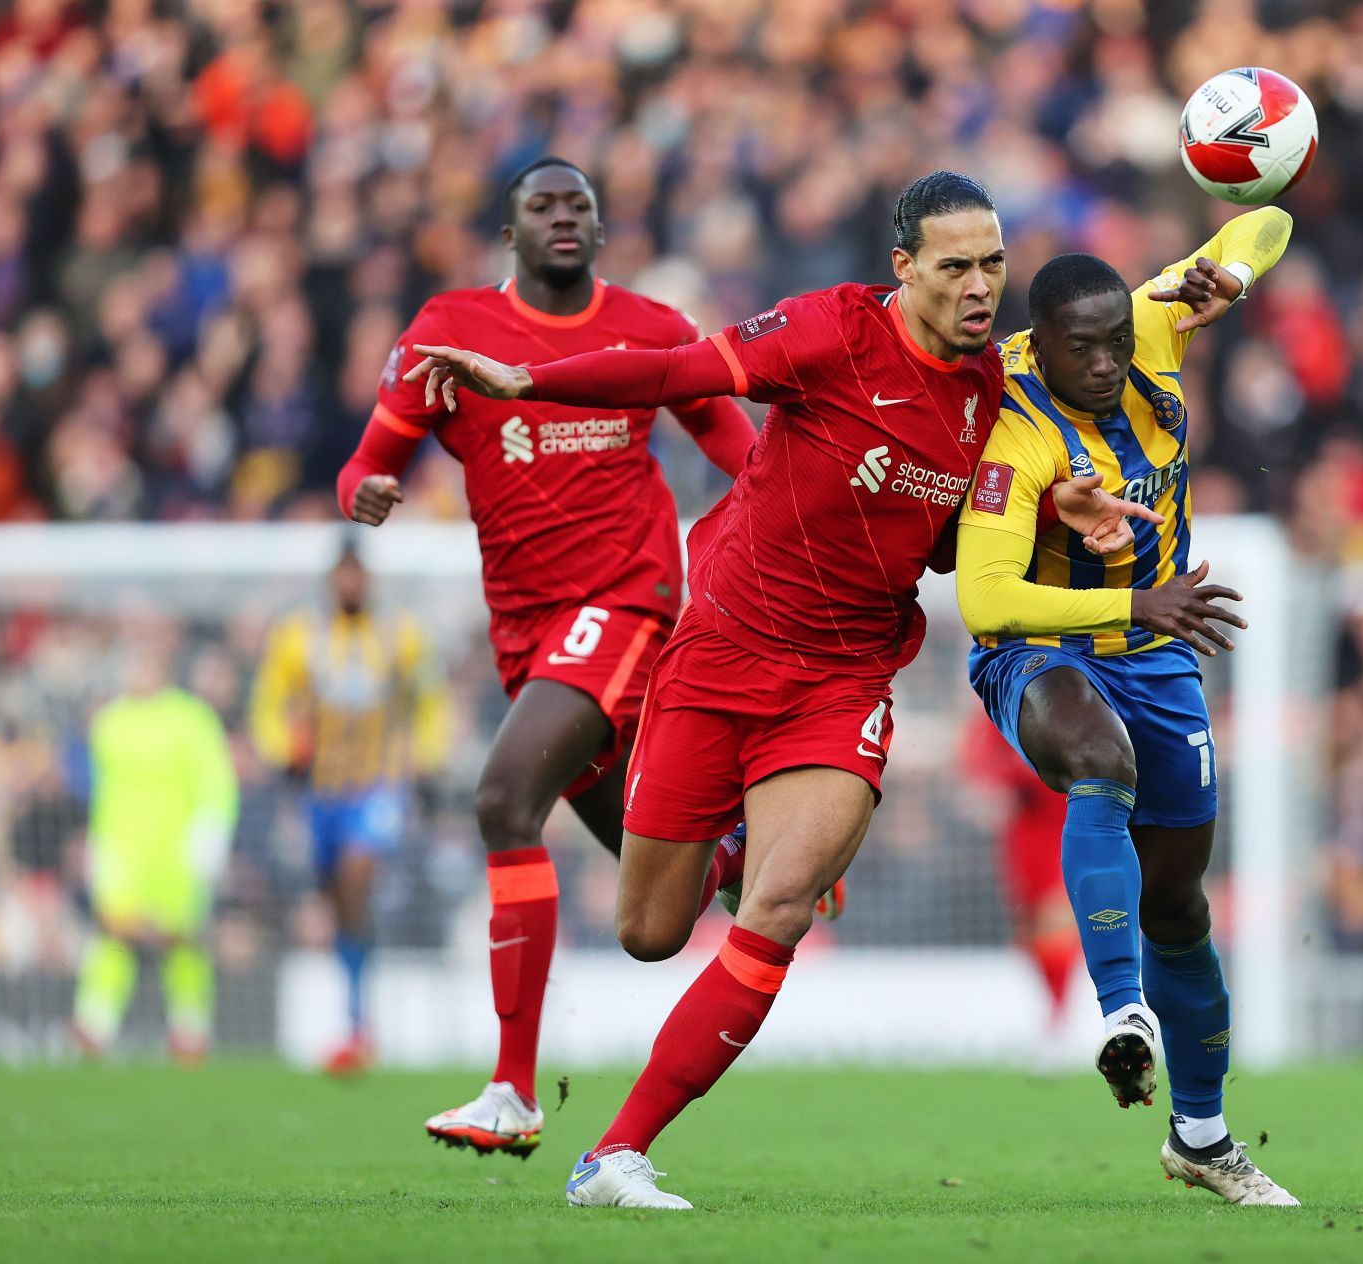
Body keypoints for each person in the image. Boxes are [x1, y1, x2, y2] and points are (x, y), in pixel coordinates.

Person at [406, 170, 1149, 1209]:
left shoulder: (998, 396)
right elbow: (675, 370)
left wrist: (1052, 509)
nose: (982, 287)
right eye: (956, 267)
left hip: (843, 678)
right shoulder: (827, 332)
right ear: (904, 268)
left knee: (782, 910)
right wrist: (531, 384)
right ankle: (729, 847)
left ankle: (614, 1152)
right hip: (719, 650)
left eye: (993, 264)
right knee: (650, 933)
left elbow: (955, 544)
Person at [335, 157, 758, 1157]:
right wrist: (365, 488)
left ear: (601, 232)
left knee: (500, 800)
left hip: (627, 601)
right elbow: (373, 453)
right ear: (509, 232)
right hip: (527, 630)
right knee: (662, 885)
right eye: (542, 204)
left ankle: (511, 1089)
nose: (563, 217)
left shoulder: (652, 329)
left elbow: (739, 448)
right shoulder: (448, 331)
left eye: (580, 205)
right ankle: (751, 851)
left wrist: (787, 525)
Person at [955, 207, 1301, 1205]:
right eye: (1084, 348)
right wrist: (1135, 597)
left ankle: (1202, 1136)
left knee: (1180, 908)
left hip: (1158, 653)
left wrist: (1228, 275)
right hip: (1043, 649)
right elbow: (983, 598)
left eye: (1116, 341)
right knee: (1097, 762)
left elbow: (1268, 217)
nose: (1107, 362)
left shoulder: (1148, 322)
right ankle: (1120, 1013)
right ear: (1040, 342)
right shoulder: (1015, 430)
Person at [248, 539, 449, 1074]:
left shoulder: (398, 636)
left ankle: (359, 1020)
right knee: (340, 904)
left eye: (358, 574)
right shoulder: (301, 638)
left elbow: (431, 699)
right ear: (331, 580)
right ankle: (357, 1019)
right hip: (320, 791)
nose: (351, 584)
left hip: (376, 785)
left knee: (358, 872)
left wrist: (427, 759)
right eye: (343, 574)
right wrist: (280, 749)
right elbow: (268, 702)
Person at [74, 619, 238, 1064]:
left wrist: (211, 834)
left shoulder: (191, 719)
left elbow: (218, 784)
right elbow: (101, 791)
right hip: (123, 851)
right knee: (113, 935)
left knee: (181, 941)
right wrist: (97, 844)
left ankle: (190, 1030)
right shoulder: (109, 722)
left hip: (176, 854)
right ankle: (93, 1025)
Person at [960, 714, 1079, 1042]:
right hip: (1023, 833)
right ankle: (1054, 1016)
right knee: (1031, 930)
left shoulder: (1079, 689)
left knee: (1059, 921)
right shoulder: (1003, 695)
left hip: (1069, 821)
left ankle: (1067, 1017)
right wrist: (990, 784)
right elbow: (980, 754)